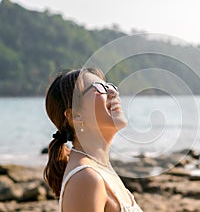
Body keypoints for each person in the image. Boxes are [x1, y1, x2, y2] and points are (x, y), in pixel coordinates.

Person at [43, 68, 143, 212]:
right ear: (75, 115)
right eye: (100, 88)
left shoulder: (100, 168)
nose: (114, 92)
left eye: (110, 86)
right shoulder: (85, 179)